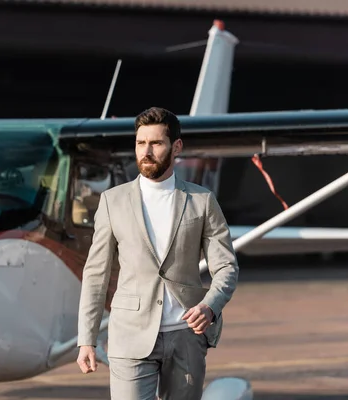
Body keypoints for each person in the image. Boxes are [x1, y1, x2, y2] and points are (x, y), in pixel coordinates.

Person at [76, 107, 239, 400]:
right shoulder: (113, 201)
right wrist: (86, 339)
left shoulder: (202, 201)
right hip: (130, 334)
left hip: (186, 335)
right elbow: (96, 273)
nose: (146, 151)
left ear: (176, 147)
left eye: (156, 143)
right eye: (141, 143)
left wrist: (210, 306)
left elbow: (226, 267)